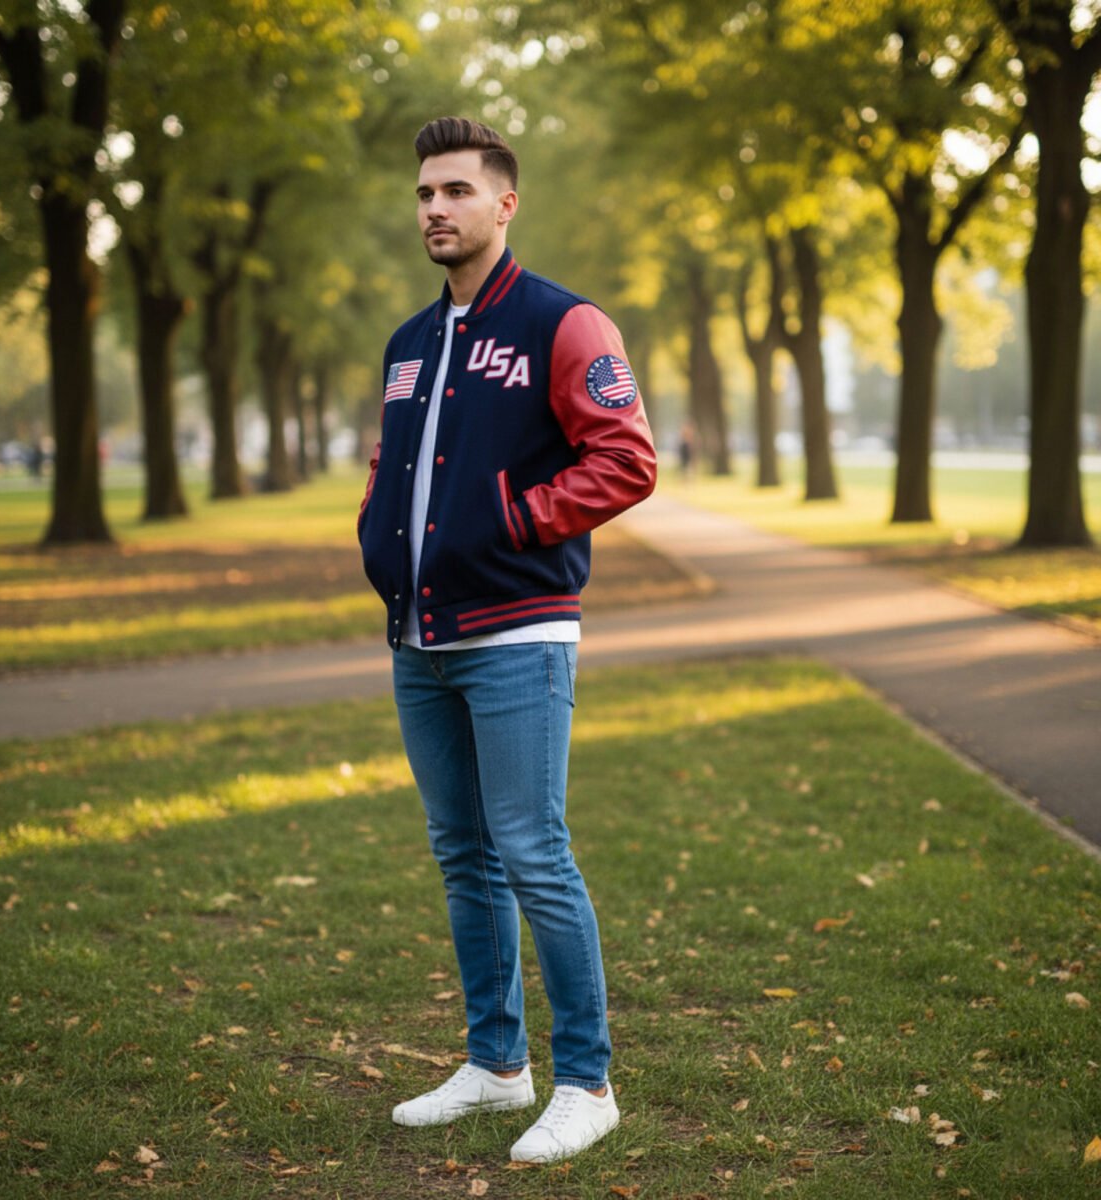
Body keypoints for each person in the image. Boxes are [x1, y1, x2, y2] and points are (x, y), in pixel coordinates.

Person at [357, 117, 656, 1164]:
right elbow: (393, 470)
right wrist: (374, 535)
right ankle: (495, 1066)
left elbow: (626, 460)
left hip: (518, 633)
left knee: (533, 851)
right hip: (418, 638)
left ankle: (588, 1081)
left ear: (504, 203)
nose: (435, 208)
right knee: (463, 857)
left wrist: (512, 521)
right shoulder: (407, 343)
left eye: (455, 191)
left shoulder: (564, 324)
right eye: (424, 194)